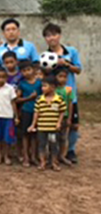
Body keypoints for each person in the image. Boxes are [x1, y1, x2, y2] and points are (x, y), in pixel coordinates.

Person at [42, 23, 82, 164]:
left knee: (72, 124)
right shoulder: (46, 56)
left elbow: (78, 70)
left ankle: (70, 151)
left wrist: (66, 64)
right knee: (53, 124)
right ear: (45, 39)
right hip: (53, 98)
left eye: (54, 34)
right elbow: (44, 74)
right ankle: (54, 151)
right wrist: (51, 66)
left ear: (59, 35)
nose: (51, 38)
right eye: (48, 36)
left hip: (70, 96)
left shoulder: (71, 51)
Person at [28, 75, 67, 171]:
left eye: (45, 86)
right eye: (42, 86)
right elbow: (36, 113)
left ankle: (54, 162)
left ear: (53, 87)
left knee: (53, 145)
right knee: (41, 145)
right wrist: (33, 124)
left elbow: (62, 112)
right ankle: (43, 162)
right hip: (42, 128)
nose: (42, 88)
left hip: (53, 128)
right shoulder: (39, 100)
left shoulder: (59, 99)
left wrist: (59, 123)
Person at [16, 60, 42, 167]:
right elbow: (17, 99)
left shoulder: (40, 83)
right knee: (25, 135)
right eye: (23, 71)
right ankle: (25, 156)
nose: (26, 72)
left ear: (33, 70)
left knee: (35, 135)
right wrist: (29, 98)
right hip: (26, 111)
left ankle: (34, 156)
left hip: (39, 112)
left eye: (28, 69)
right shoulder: (22, 84)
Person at [54, 67, 73, 166]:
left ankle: (62, 155)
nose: (63, 79)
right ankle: (53, 157)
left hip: (64, 117)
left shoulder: (68, 89)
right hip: (53, 117)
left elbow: (70, 104)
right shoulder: (52, 89)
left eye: (65, 77)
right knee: (53, 138)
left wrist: (69, 118)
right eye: (60, 76)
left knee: (63, 137)